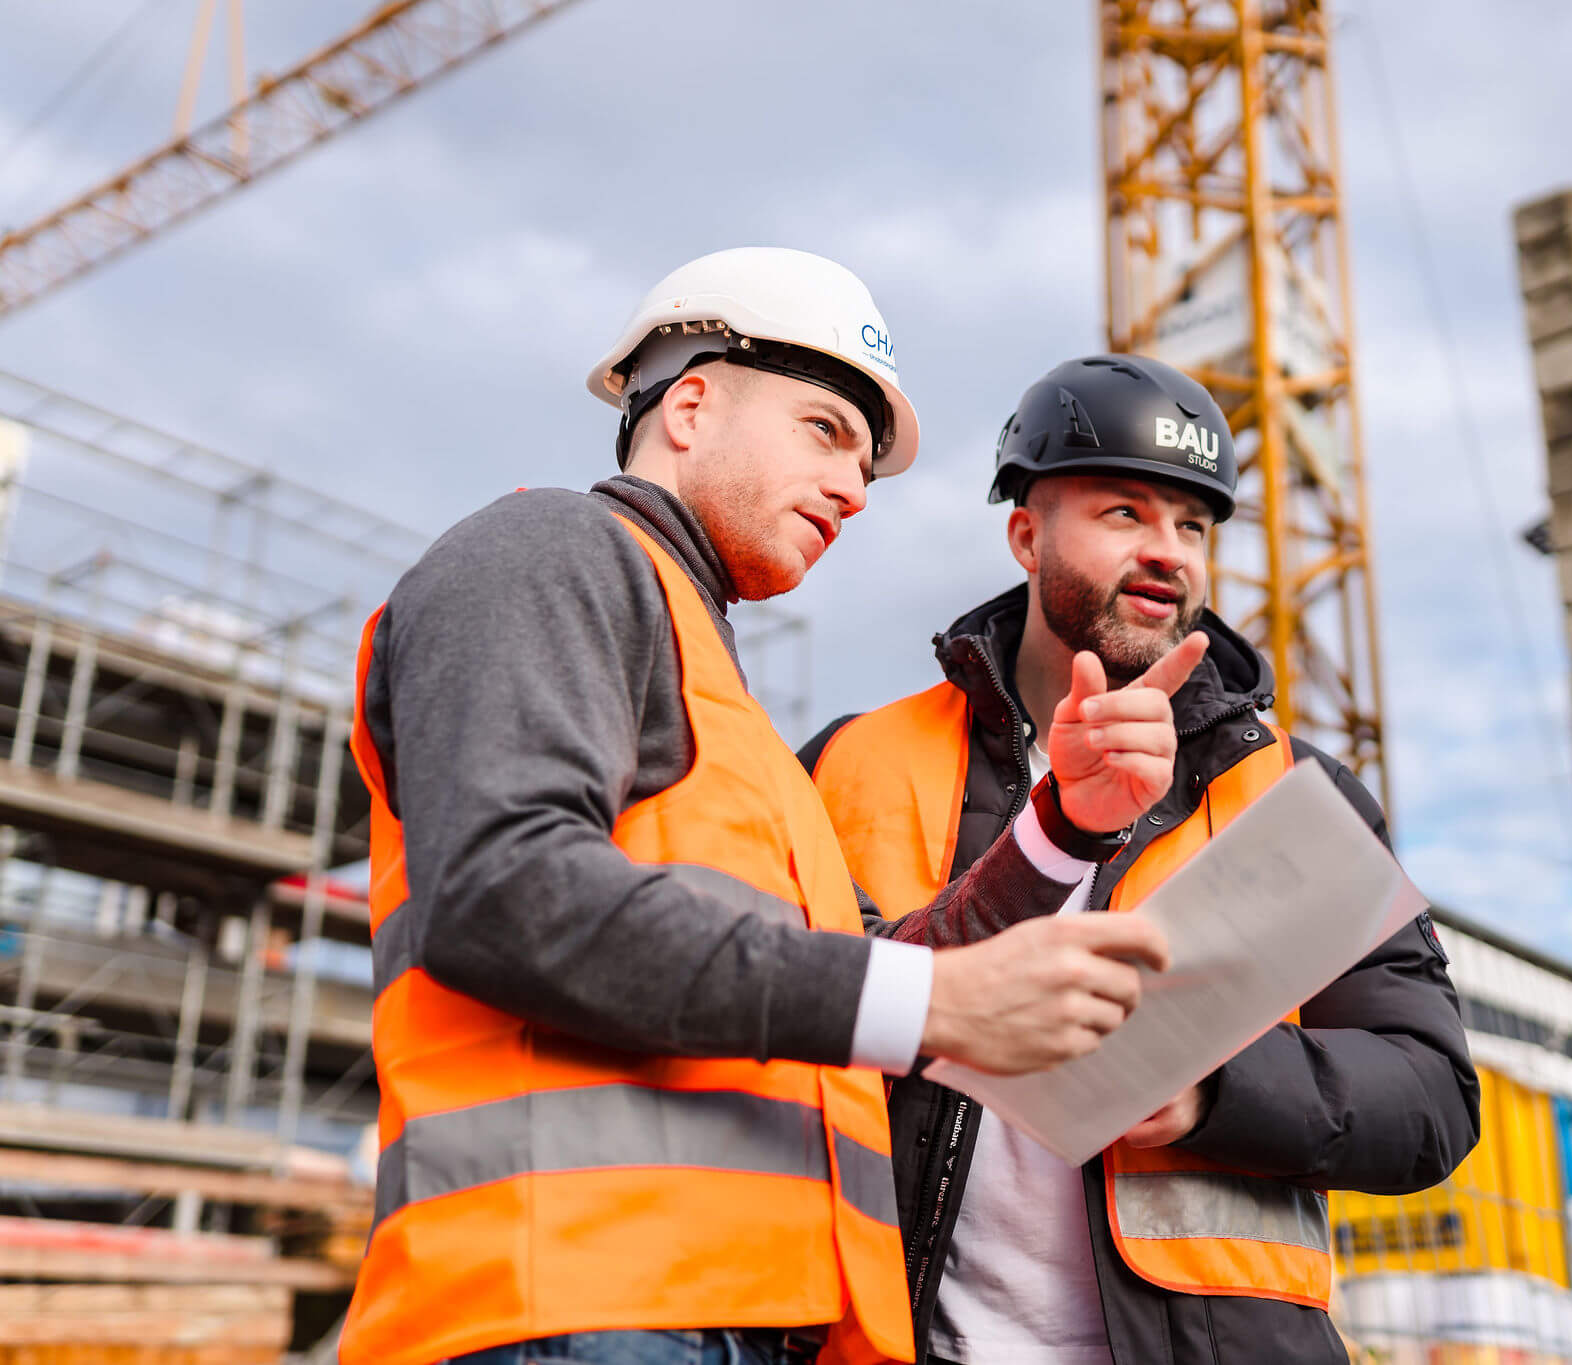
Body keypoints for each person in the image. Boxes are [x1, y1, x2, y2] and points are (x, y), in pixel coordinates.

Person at [340, 256, 1199, 1365]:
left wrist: (1060, 826)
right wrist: (929, 997)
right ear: (689, 404)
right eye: (824, 431)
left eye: (863, 462)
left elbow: (869, 969)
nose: (852, 487)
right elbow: (506, 892)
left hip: (712, 1318)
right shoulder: (547, 550)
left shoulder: (734, 724)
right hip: (566, 1304)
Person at [803, 354, 1482, 1365]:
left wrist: (1213, 1091)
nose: (1169, 552)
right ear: (1025, 534)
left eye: (1192, 525)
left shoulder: (1290, 795)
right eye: (1123, 512)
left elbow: (1430, 1097)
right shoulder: (851, 766)